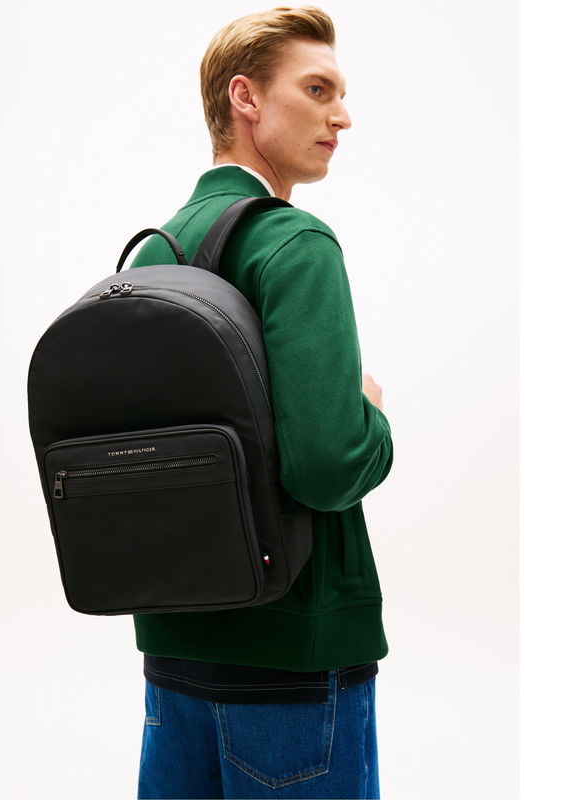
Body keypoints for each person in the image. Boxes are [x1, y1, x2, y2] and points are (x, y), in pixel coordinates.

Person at [127, 6, 394, 799]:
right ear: (244, 97)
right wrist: (371, 414)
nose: (341, 116)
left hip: (173, 660)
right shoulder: (294, 245)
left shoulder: (153, 252)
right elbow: (327, 466)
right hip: (294, 666)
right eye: (317, 89)